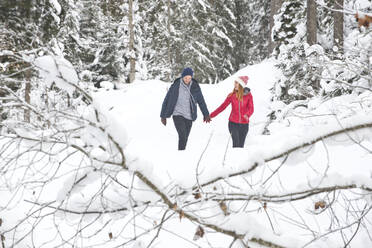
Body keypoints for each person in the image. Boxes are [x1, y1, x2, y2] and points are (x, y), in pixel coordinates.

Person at [160, 67, 211, 150]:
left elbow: (201, 101)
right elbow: (167, 99)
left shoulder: (195, 87)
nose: (187, 80)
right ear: (182, 77)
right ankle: (180, 156)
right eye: (186, 78)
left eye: (189, 78)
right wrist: (163, 115)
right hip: (177, 114)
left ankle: (182, 154)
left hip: (189, 116)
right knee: (182, 135)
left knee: (185, 138)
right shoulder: (176, 86)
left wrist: (206, 114)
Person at [210, 76, 254, 148]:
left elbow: (251, 108)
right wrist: (211, 115)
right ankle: (233, 159)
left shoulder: (248, 95)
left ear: (241, 85)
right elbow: (222, 107)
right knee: (236, 145)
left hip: (244, 124)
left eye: (237, 83)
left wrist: (247, 115)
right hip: (233, 124)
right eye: (235, 83)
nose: (235, 84)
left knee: (241, 146)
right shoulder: (231, 95)